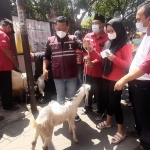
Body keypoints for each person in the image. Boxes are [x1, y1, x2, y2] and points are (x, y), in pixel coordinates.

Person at [84, 18, 132, 143]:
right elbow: (101, 58)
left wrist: (114, 58)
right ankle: (109, 122)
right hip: (105, 76)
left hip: (117, 80)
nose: (110, 33)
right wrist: (92, 51)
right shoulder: (108, 43)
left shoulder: (125, 44)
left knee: (115, 104)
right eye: (108, 31)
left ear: (119, 30)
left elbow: (128, 65)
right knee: (108, 102)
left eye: (112, 31)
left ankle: (121, 131)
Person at [114, 2, 150, 150]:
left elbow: (146, 66)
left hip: (144, 86)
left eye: (139, 19)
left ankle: (146, 145)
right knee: (138, 113)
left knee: (145, 117)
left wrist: (124, 78)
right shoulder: (146, 35)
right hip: (136, 84)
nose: (137, 22)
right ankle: (140, 133)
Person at [43, 16, 84, 122]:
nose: (61, 31)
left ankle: (73, 114)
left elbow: (82, 46)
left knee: (71, 96)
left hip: (71, 74)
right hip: (57, 74)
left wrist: (86, 45)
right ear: (55, 27)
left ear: (68, 28)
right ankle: (61, 115)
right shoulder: (50, 40)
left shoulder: (73, 39)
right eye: (58, 29)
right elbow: (46, 57)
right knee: (60, 96)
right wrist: (44, 69)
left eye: (63, 29)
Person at [82, 14, 108, 121]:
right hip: (87, 69)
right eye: (92, 23)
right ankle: (87, 107)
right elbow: (83, 50)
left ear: (102, 25)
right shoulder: (88, 36)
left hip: (99, 70)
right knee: (87, 90)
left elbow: (105, 56)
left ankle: (101, 110)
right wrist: (86, 57)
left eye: (96, 23)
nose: (94, 25)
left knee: (99, 92)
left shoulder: (106, 38)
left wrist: (94, 62)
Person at [0, 18, 19, 111]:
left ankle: (6, 103)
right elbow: (5, 50)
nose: (10, 31)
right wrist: (14, 60)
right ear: (8, 27)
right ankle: (8, 105)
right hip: (3, 67)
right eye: (11, 29)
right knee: (6, 86)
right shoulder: (3, 35)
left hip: (2, 66)